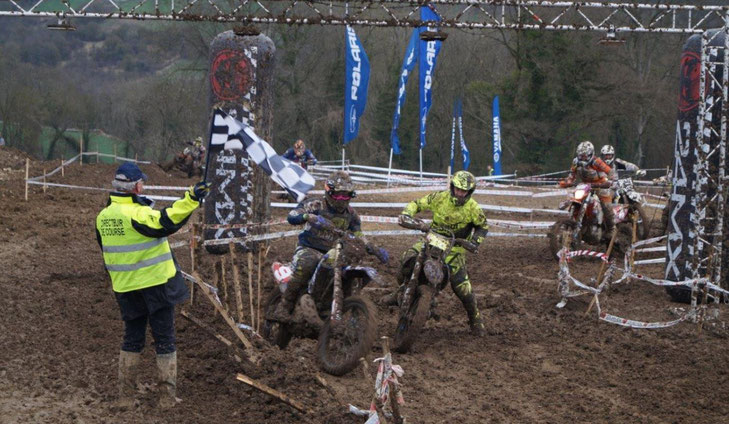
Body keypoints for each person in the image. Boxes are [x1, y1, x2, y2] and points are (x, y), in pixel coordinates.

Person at [95, 162, 211, 409]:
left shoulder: (103, 217)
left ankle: (125, 397)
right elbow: (167, 221)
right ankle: (167, 399)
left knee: (132, 338)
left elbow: (105, 248)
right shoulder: (137, 214)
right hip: (156, 285)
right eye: (142, 183)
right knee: (165, 339)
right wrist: (191, 198)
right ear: (136, 187)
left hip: (125, 287)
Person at [269, 170, 388, 320]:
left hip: (335, 252)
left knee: (348, 272)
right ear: (329, 192)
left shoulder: (351, 214)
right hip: (309, 247)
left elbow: (358, 234)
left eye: (346, 195)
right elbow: (292, 215)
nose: (342, 199)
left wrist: (372, 247)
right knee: (308, 263)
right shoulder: (316, 204)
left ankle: (335, 307)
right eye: (338, 195)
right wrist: (307, 216)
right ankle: (284, 306)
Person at [394, 170, 489, 336]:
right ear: (452, 187)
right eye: (457, 189)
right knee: (407, 258)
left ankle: (475, 318)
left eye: (463, 191)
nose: (459, 194)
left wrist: (474, 242)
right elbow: (417, 203)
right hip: (431, 240)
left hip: (455, 249)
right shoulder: (439, 197)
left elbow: (483, 227)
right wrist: (407, 214)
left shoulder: (473, 208)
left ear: (469, 192)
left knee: (462, 286)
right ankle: (401, 290)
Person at [559, 141, 617, 233]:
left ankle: (612, 229)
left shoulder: (596, 161)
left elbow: (610, 171)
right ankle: (575, 221)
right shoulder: (575, 162)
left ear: (590, 154)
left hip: (599, 185)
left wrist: (611, 180)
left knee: (606, 206)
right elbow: (572, 175)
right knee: (575, 199)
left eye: (585, 155)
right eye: (581, 155)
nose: (583, 157)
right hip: (585, 185)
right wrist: (567, 182)